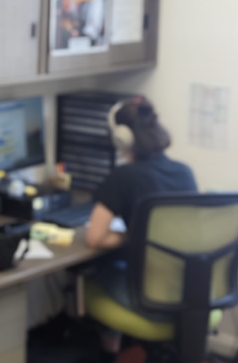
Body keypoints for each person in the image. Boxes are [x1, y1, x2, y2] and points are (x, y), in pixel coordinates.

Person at [85, 96, 198, 355]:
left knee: (92, 271)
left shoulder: (123, 177)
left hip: (151, 304)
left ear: (121, 138)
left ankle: (107, 348)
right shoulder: (184, 172)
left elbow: (94, 238)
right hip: (192, 296)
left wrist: (130, 235)